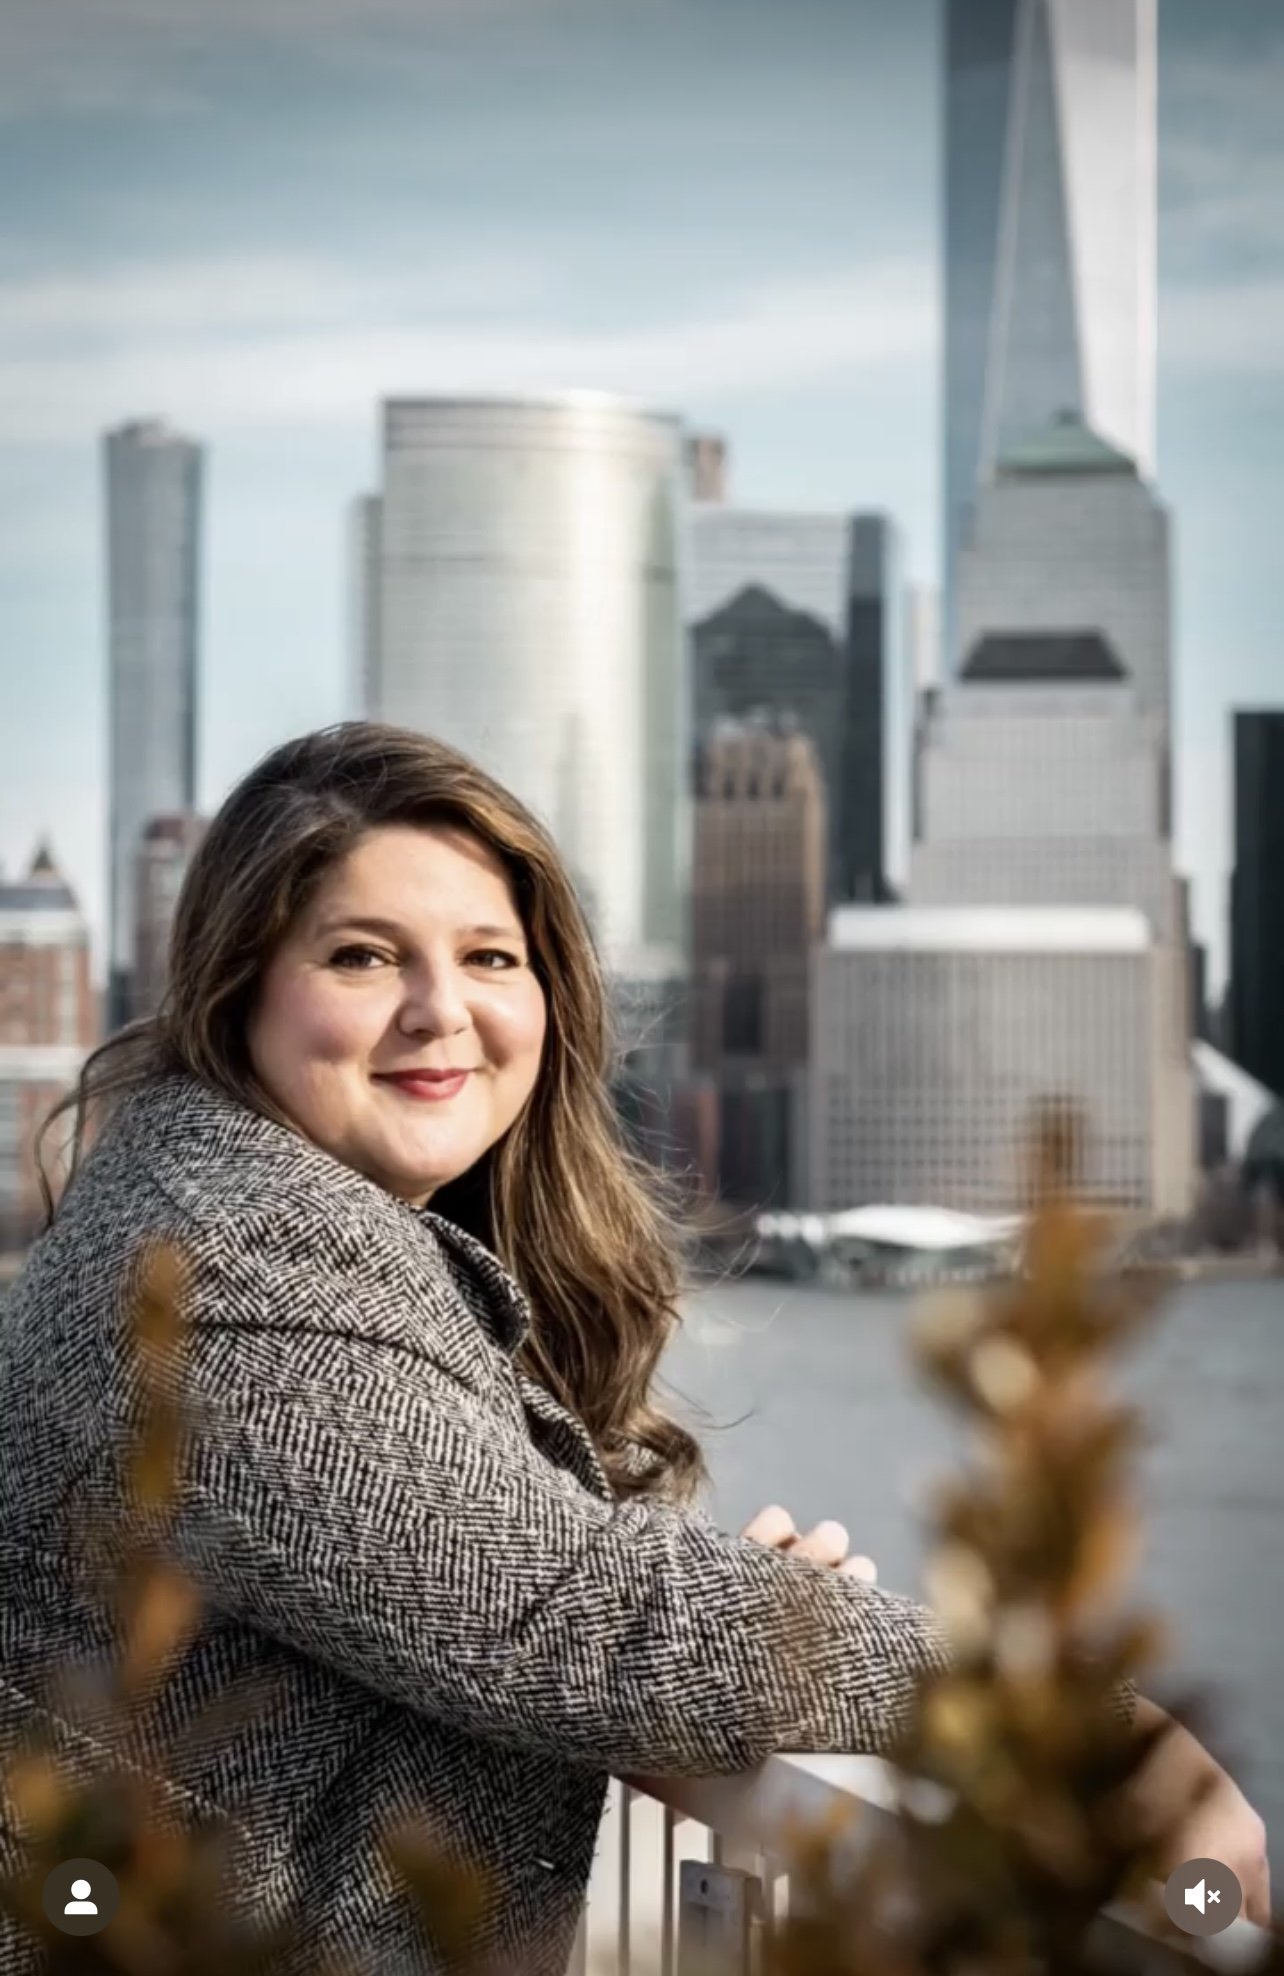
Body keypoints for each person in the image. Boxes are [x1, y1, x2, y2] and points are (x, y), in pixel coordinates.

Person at [0, 724, 1267, 1973]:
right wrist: (1080, 1729)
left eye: (490, 955)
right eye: (362, 955)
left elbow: (466, 1578)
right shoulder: (231, 1261)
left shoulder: (240, 1209)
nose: (441, 1011)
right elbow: (559, 1618)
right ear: (240, 986)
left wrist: (708, 1617)